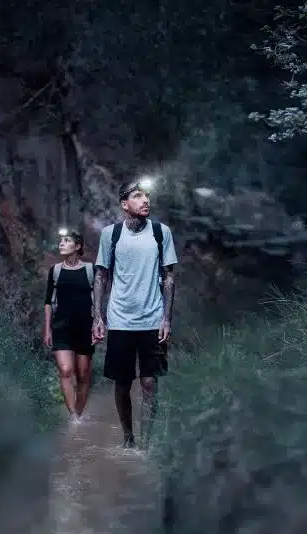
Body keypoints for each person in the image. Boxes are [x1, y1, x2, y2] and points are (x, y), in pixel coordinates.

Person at [92, 180, 178, 448]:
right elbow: (100, 275)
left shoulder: (161, 232)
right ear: (124, 204)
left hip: (152, 318)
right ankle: (128, 436)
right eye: (138, 196)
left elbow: (169, 278)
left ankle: (146, 442)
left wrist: (166, 318)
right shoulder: (111, 234)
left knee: (150, 382)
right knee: (122, 383)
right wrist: (98, 316)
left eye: (147, 196)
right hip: (120, 319)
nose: (145, 200)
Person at [43, 230, 95, 423]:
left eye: (67, 241)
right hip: (60, 327)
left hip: (85, 327)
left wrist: (99, 323)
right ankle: (74, 417)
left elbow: (98, 300)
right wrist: (47, 329)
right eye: (61, 241)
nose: (61, 244)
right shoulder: (55, 271)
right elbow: (48, 301)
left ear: (78, 246)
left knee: (82, 376)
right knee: (65, 370)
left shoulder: (91, 270)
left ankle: (79, 415)